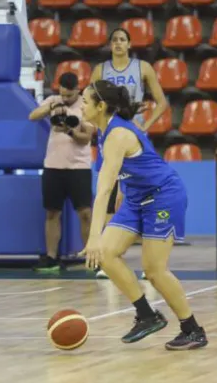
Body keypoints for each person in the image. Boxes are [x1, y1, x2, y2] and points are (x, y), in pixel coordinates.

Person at [80, 80, 207, 351]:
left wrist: (93, 236)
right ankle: (147, 316)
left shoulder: (118, 135)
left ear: (101, 106)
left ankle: (192, 329)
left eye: (84, 101)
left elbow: (102, 191)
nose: (81, 105)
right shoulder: (103, 131)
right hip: (136, 198)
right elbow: (119, 180)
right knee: (106, 253)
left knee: (154, 270)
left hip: (163, 196)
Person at [90, 28, 169, 278]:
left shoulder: (143, 68)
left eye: (122, 40)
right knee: (110, 193)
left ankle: (152, 261)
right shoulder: (101, 70)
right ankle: (110, 258)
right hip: (110, 135)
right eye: (114, 40)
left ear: (130, 44)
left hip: (133, 136)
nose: (118, 44)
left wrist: (145, 125)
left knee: (143, 195)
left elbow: (163, 102)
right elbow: (91, 103)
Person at [28, 72, 96, 275]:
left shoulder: (86, 105)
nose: (65, 99)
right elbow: (32, 116)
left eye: (69, 96)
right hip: (53, 166)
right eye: (63, 95)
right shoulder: (54, 100)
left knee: (85, 214)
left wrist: (69, 130)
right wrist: (52, 107)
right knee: (52, 213)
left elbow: (86, 138)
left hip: (79, 168)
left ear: (78, 89)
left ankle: (93, 258)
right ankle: (51, 258)